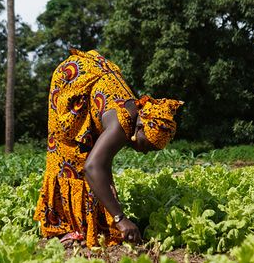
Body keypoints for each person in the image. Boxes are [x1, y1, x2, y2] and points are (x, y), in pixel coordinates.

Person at [33, 49, 183, 248]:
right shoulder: (122, 124)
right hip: (72, 82)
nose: (145, 151)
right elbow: (92, 167)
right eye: (146, 145)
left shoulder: (134, 116)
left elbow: (103, 160)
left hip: (92, 80)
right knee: (71, 157)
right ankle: (67, 228)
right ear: (139, 128)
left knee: (96, 167)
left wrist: (110, 189)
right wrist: (120, 219)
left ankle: (91, 225)